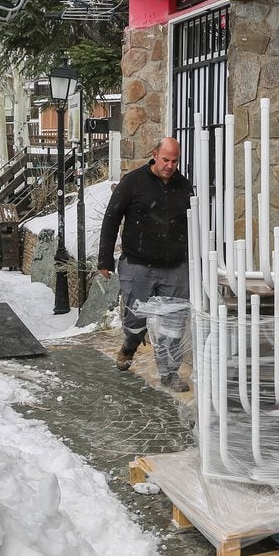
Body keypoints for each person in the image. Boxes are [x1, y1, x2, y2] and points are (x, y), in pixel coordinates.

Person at [97, 137, 194, 391]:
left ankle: (169, 373)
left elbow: (196, 225)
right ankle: (130, 343)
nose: (170, 166)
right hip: (138, 264)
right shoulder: (133, 182)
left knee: (173, 325)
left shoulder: (184, 187)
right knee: (136, 319)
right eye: (165, 159)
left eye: (174, 161)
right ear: (154, 155)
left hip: (175, 267)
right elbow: (111, 218)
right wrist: (104, 259)